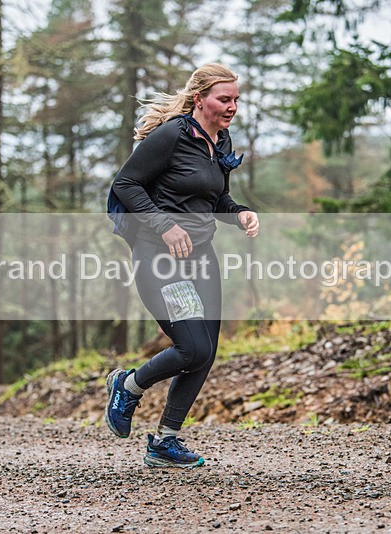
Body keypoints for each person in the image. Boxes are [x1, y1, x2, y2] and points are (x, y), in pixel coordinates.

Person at [104, 63, 259, 468]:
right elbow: (125, 184)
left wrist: (239, 212)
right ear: (200, 99)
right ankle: (128, 385)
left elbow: (213, 199)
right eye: (224, 99)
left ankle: (165, 442)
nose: (232, 107)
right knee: (191, 345)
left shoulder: (220, 140)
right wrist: (165, 225)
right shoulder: (171, 136)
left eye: (236, 100)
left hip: (201, 257)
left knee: (205, 351)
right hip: (159, 257)